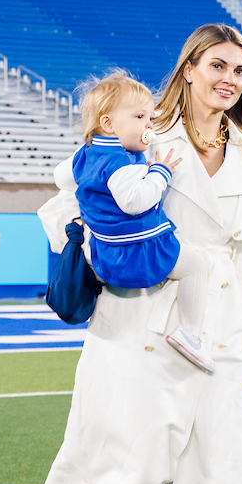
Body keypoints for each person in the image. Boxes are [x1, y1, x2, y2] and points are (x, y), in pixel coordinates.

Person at [38, 24, 242, 484]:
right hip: (143, 317)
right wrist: (102, 243)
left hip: (224, 324)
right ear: (189, 69)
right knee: (141, 460)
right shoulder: (145, 133)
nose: (229, 79)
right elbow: (65, 203)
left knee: (216, 474)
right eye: (217, 66)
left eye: (240, 71)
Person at [66, 69, 213, 372]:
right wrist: (160, 172)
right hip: (135, 254)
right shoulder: (121, 161)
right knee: (197, 266)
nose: (149, 124)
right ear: (108, 123)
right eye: (139, 117)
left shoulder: (86, 154)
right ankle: (191, 333)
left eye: (150, 117)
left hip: (107, 252)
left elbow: (61, 177)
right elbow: (134, 202)